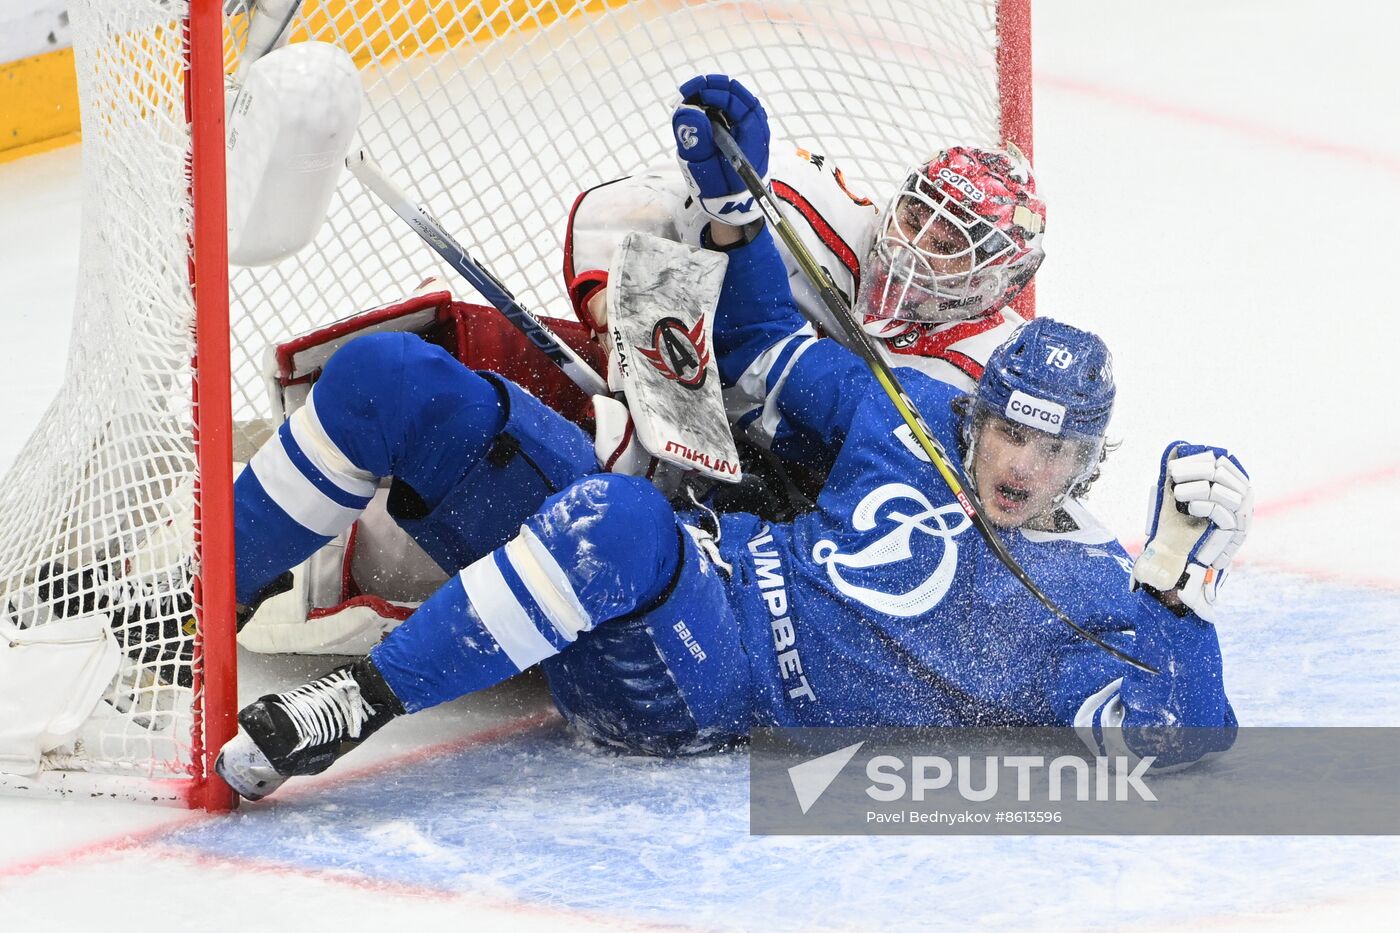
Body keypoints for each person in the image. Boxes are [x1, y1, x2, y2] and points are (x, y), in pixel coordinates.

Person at [213, 84, 1248, 802]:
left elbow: (1178, 740)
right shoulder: (908, 418)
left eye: (1054, 453)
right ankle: (194, 604)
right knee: (393, 380)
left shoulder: (1096, 589)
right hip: (672, 557)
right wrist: (732, 204)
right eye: (1012, 434)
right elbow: (758, 342)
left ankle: (351, 705)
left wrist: (1183, 593)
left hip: (705, 682)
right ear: (974, 415)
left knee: (617, 521)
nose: (1025, 466)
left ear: (1088, 467)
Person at [564, 75, 1048, 392]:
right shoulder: (804, 198)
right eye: (914, 219)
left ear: (990, 283)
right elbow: (624, 208)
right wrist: (615, 314)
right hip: (676, 388)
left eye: (945, 246)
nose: (910, 248)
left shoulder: (1001, 372)